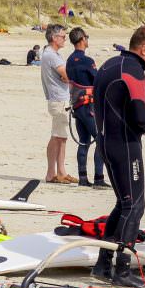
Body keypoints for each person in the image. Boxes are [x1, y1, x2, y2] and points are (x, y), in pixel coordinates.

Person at [91, 26, 145, 288]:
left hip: (106, 143)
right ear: (144, 49)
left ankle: (102, 264)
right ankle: (122, 271)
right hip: (124, 145)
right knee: (135, 206)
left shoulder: (112, 63)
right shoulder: (133, 69)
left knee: (124, 203)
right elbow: (138, 112)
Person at [35, 26, 78, 185]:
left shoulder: (51, 54)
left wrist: (67, 77)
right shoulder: (51, 55)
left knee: (61, 137)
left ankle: (60, 172)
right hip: (58, 99)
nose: (65, 39)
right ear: (54, 38)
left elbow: (67, 76)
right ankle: (52, 174)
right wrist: (68, 77)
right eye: (62, 36)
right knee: (57, 137)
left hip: (60, 98)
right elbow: (68, 75)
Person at [65, 27, 103, 189]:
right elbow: (98, 81)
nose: (88, 40)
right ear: (82, 39)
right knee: (101, 140)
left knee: (84, 142)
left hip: (76, 106)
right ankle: (99, 178)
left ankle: (82, 178)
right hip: (88, 106)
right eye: (87, 37)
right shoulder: (87, 61)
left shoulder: (69, 60)